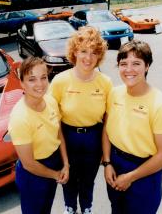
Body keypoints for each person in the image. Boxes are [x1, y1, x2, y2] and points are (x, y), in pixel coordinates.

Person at [102, 40, 162, 214]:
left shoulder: (161, 105)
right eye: (123, 64)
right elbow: (107, 128)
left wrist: (130, 177)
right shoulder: (114, 93)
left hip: (144, 172)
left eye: (136, 63)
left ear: (147, 66)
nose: (129, 69)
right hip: (115, 164)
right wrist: (107, 163)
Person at [49, 26, 113, 214]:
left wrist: (105, 152)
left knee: (88, 179)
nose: (88, 57)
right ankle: (70, 207)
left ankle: (87, 207)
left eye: (94, 53)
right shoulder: (60, 81)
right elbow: (53, 119)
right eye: (83, 51)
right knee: (68, 177)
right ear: (74, 52)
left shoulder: (105, 82)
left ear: (99, 56)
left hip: (93, 138)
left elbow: (108, 121)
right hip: (67, 137)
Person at [8, 56, 69, 214]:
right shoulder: (20, 117)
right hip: (32, 175)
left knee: (46, 208)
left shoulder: (50, 101)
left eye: (43, 77)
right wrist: (56, 175)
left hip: (53, 162)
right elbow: (29, 163)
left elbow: (58, 133)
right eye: (32, 79)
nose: (40, 84)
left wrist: (66, 164)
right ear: (22, 83)